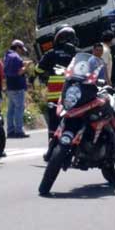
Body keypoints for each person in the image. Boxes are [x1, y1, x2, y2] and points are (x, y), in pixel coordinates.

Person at [34, 26, 77, 156]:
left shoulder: (51, 53)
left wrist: (47, 73)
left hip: (55, 93)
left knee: (53, 123)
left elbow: (38, 70)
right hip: (73, 93)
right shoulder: (76, 53)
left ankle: (51, 150)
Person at [4, 40, 30, 138]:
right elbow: (18, 72)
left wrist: (22, 64)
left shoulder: (7, 56)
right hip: (17, 86)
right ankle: (19, 130)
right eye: (21, 49)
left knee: (11, 109)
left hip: (10, 86)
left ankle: (10, 130)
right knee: (19, 108)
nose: (21, 51)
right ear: (17, 47)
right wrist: (26, 66)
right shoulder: (15, 57)